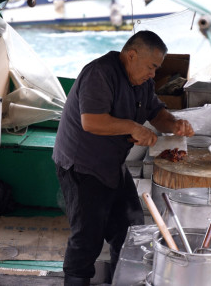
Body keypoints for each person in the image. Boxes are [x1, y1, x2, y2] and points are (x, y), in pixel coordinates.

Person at [52, 30, 194, 285]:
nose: (154, 74)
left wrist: (175, 124)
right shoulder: (100, 73)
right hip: (83, 165)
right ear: (131, 55)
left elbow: (155, 112)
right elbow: (91, 121)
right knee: (87, 238)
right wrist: (132, 127)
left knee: (131, 229)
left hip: (112, 165)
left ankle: (123, 280)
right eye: (152, 67)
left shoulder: (143, 81)